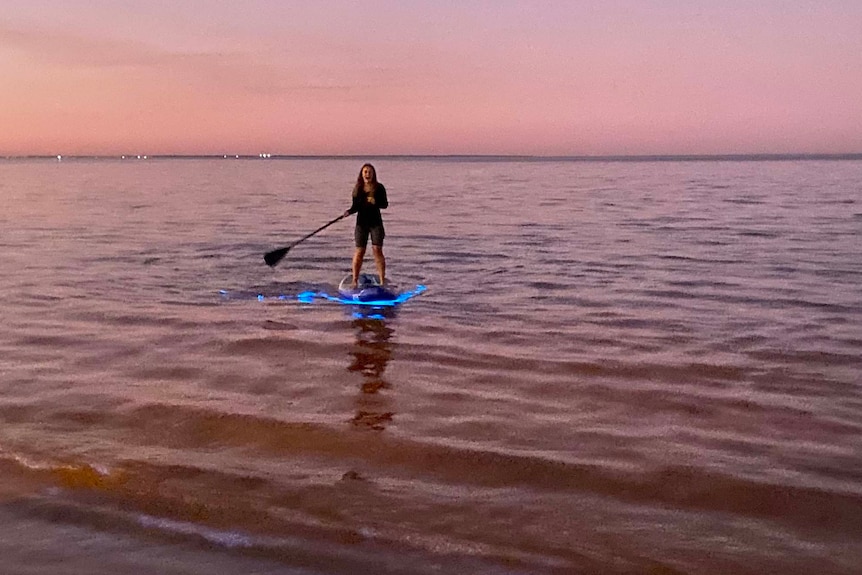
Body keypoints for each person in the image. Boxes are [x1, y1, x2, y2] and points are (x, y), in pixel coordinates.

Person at [344, 163, 388, 287]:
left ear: (373, 174)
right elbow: (355, 207)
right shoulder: (358, 188)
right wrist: (349, 212)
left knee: (377, 250)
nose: (367, 174)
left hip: (376, 223)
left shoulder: (379, 188)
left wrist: (376, 202)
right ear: (362, 174)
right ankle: (355, 280)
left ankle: (382, 280)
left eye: (369, 172)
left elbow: (385, 204)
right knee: (360, 251)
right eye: (365, 172)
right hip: (361, 224)